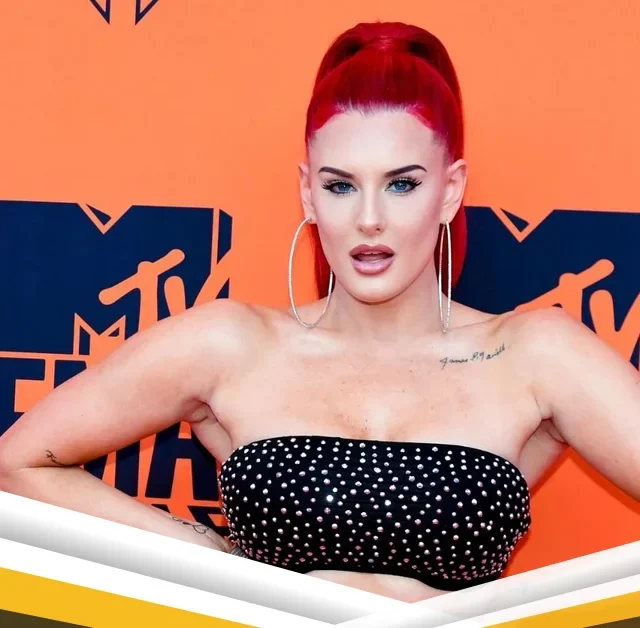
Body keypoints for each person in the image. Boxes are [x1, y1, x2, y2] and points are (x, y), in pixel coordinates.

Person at [0, 21, 638, 603]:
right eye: (340, 185)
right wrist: (210, 559)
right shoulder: (232, 344)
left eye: (402, 184)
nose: (369, 218)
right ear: (308, 192)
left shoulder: (534, 355)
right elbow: (18, 464)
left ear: (450, 190)